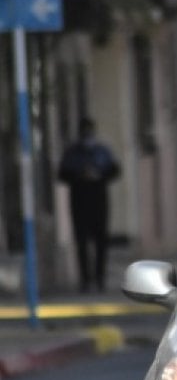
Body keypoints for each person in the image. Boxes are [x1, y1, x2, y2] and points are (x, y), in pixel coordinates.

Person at [58, 117, 120, 292]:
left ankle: (100, 278)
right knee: (82, 243)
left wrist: (99, 175)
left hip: (99, 201)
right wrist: (80, 176)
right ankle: (85, 280)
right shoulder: (72, 153)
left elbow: (114, 170)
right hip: (79, 202)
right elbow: (62, 173)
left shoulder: (101, 151)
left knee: (101, 242)